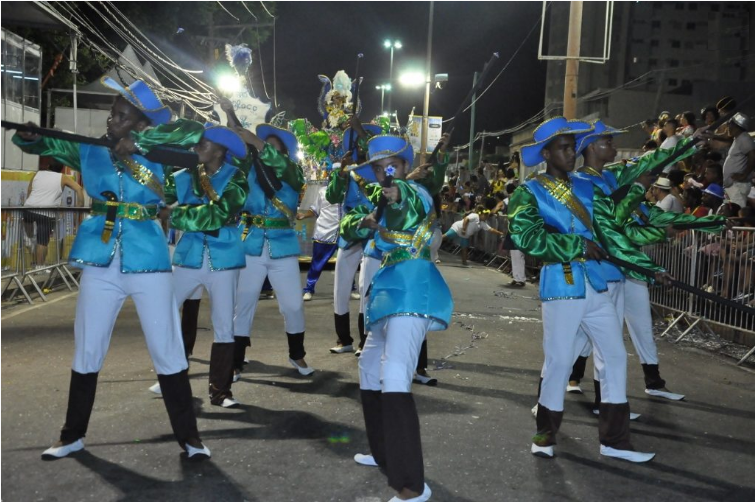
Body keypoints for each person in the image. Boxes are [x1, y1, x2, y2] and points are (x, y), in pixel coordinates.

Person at [12, 78, 209, 460]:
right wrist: (29, 136)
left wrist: (141, 143)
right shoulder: (90, 147)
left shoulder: (158, 150)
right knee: (88, 346)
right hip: (101, 258)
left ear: (140, 123)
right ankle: (71, 436)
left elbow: (192, 131)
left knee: (167, 346)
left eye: (121, 116)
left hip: (148, 259)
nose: (111, 120)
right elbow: (48, 144)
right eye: (112, 113)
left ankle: (190, 439)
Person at [509, 116, 659, 462]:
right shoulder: (528, 192)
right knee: (560, 361)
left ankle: (615, 441)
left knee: (615, 356)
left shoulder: (587, 186)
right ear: (546, 153)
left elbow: (610, 229)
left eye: (572, 147)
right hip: (562, 285)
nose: (571, 153)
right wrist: (576, 245)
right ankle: (544, 436)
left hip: (596, 283)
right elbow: (527, 238)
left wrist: (648, 267)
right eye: (563, 148)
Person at [342, 134, 453, 502]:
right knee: (368, 367)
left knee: (394, 374)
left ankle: (411, 486)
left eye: (391, 166)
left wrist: (396, 194)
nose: (384, 174)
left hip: (412, 289)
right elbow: (348, 226)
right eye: (378, 168)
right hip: (387, 293)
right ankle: (383, 453)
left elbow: (406, 202)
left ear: (405, 167)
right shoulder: (377, 198)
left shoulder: (414, 192)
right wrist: (367, 221)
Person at [144, 124, 249, 408]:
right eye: (196, 143)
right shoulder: (181, 176)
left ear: (220, 150)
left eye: (204, 143)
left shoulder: (236, 178)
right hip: (188, 256)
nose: (196, 147)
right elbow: (157, 199)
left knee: (224, 325)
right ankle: (170, 376)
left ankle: (221, 391)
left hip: (224, 258)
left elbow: (221, 213)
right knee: (165, 313)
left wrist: (175, 214)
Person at [230, 117, 313, 377]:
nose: (267, 152)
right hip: (251, 243)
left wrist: (257, 142)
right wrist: (231, 117)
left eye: (274, 149)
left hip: (282, 246)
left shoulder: (293, 173)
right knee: (243, 304)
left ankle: (297, 355)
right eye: (264, 147)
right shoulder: (249, 170)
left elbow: (286, 169)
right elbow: (235, 150)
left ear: (284, 154)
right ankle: (235, 359)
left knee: (293, 305)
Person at [325, 120, 383, 354]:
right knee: (341, 286)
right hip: (351, 228)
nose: (360, 146)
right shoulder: (346, 169)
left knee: (366, 286)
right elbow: (332, 197)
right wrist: (341, 172)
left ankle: (364, 340)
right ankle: (344, 340)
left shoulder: (383, 169)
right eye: (357, 142)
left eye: (364, 141)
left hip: (374, 229)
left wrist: (360, 130)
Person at [23, 157, 84, 269]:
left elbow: (29, 190)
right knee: (42, 242)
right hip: (46, 213)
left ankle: (29, 241)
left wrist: (29, 205)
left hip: (28, 209)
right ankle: (39, 267)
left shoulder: (38, 174)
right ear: (61, 169)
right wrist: (80, 206)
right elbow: (79, 189)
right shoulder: (62, 177)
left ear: (48, 166)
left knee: (30, 235)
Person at [297, 184, 342, 301]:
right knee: (317, 263)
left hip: (344, 233)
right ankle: (309, 289)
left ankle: (351, 288)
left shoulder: (349, 191)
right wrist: (304, 215)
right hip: (325, 232)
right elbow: (314, 209)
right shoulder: (323, 191)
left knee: (347, 262)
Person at [721, 113, 755, 209]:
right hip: (732, 186)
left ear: (737, 126)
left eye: (730, 125)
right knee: (730, 211)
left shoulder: (744, 138)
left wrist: (744, 174)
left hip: (738, 185)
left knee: (737, 210)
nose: (728, 127)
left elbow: (752, 156)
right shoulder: (738, 138)